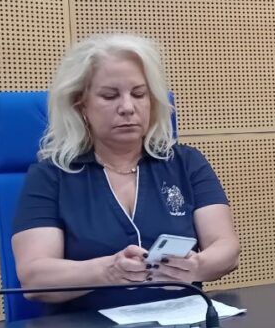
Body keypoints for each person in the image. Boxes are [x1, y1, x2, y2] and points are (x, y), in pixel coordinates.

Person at [12, 33, 240, 309]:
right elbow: (34, 277)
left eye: (139, 94)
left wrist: (197, 266)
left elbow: (226, 248)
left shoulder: (186, 162)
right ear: (80, 105)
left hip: (183, 323)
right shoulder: (51, 176)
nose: (128, 108)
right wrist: (106, 271)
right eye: (110, 96)